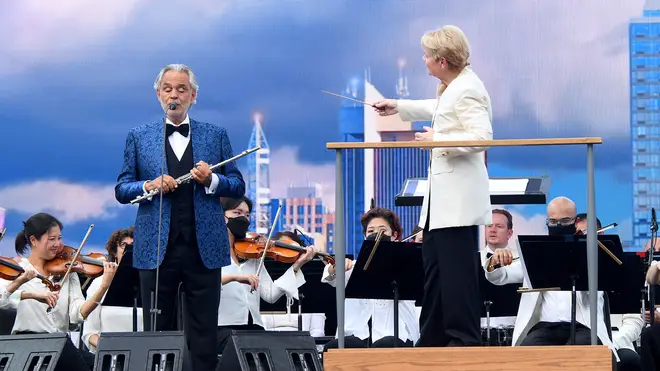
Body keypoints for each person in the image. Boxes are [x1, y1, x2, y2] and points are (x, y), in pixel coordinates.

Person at [114, 64, 245, 370]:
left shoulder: (216, 135)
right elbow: (122, 189)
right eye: (168, 89)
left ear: (193, 95)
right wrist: (149, 185)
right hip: (157, 249)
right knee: (157, 333)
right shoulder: (138, 136)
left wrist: (212, 179)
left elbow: (237, 185)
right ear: (159, 95)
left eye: (182, 89)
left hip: (205, 248)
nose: (174, 94)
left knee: (204, 333)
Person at [373, 25, 492, 347]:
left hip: (456, 203)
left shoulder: (468, 89)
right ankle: (434, 339)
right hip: (443, 202)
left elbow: (482, 137)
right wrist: (398, 106)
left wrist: (438, 140)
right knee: (437, 273)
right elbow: (438, 108)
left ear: (441, 60)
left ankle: (463, 341)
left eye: (427, 55)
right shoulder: (456, 86)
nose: (423, 60)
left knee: (457, 277)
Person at [0, 212, 117, 369]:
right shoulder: (17, 269)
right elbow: (2, 300)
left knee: (105, 364)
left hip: (60, 344)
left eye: (59, 238)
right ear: (33, 240)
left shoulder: (68, 271)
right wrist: (22, 282)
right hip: (29, 344)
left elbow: (78, 314)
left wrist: (104, 286)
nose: (58, 244)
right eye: (51, 239)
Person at [217, 196, 316, 354]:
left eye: (247, 215)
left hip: (255, 328)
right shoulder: (211, 254)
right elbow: (205, 284)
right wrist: (236, 277)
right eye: (237, 213)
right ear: (222, 216)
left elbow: (270, 295)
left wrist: (298, 265)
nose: (243, 218)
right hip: (223, 328)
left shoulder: (252, 255)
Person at [321, 207, 420, 350]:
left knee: (386, 344)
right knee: (338, 347)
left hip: (395, 336)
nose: (376, 235)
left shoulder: (406, 267)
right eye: (371, 231)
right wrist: (335, 268)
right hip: (356, 336)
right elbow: (331, 279)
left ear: (394, 235)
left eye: (382, 230)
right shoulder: (354, 267)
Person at [82, 227, 141, 353]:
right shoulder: (98, 282)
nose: (128, 249)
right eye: (123, 245)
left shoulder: (148, 283)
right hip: (108, 356)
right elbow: (90, 333)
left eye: (133, 245)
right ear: (114, 251)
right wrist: (112, 351)